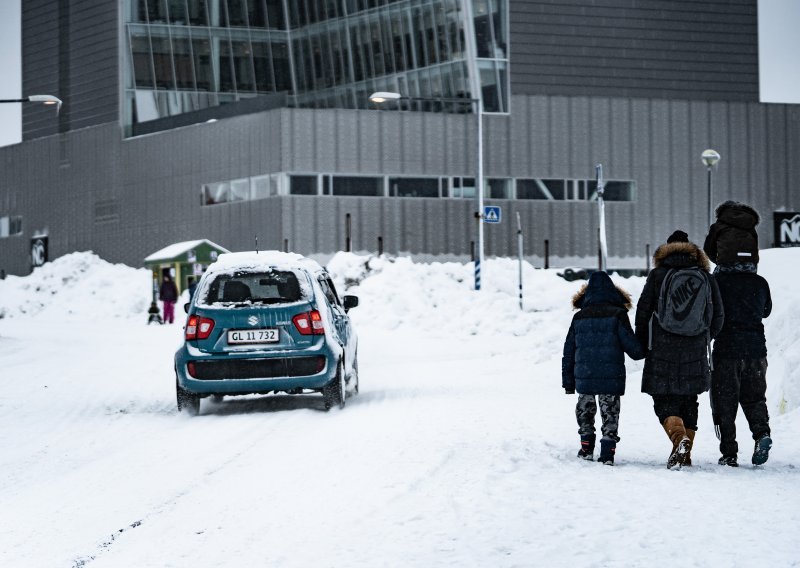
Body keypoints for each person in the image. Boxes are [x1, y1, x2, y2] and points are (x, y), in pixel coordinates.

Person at [634, 230, 724, 468]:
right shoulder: (705, 276)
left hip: (662, 346)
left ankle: (678, 437)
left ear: (666, 249)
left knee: (663, 397)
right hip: (694, 347)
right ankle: (686, 450)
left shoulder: (658, 276)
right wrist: (703, 336)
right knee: (689, 398)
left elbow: (643, 312)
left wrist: (643, 343)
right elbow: (718, 316)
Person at [562, 271, 645, 465]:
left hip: (585, 376)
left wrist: (568, 382)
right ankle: (608, 452)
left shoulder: (580, 317)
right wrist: (645, 349)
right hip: (611, 376)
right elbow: (634, 349)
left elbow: (569, 351)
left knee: (585, 412)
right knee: (610, 413)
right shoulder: (618, 314)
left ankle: (586, 448)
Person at [710, 255, 773, 467]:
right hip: (756, 350)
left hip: (726, 350)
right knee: (754, 397)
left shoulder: (718, 282)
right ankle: (761, 433)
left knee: (725, 400)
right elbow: (766, 311)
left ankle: (729, 452)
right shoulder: (760, 282)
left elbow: (710, 313)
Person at [703, 200, 760, 273]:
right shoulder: (750, 226)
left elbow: (708, 249)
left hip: (727, 265)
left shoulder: (718, 226)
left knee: (714, 283)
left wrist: (718, 261)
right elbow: (755, 246)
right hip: (750, 266)